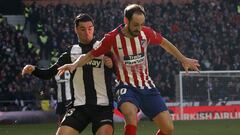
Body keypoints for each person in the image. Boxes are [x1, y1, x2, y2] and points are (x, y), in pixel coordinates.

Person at [57, 4, 200, 135]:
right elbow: (90, 55)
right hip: (125, 86)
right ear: (126, 20)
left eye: (142, 24)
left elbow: (165, 43)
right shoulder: (112, 38)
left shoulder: (146, 33)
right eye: (136, 24)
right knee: (131, 116)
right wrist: (74, 65)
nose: (139, 28)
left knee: (168, 129)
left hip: (146, 86)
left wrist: (183, 59)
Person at [22, 13, 114, 135]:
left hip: (103, 106)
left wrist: (112, 65)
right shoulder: (71, 52)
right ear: (75, 29)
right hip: (79, 107)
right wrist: (34, 69)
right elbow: (50, 73)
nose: (87, 32)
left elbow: (121, 70)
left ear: (93, 28)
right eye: (82, 29)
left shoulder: (103, 47)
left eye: (90, 28)